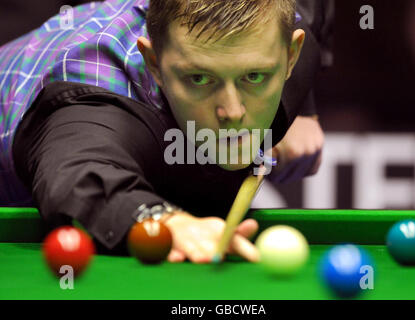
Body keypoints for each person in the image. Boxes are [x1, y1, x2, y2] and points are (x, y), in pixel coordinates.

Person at [0, 0, 324, 263]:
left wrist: (304, 110)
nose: (233, 112)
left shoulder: (292, 45)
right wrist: (167, 222)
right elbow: (77, 172)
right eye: (199, 78)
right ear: (154, 63)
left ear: (291, 55)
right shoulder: (97, 100)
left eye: (254, 76)